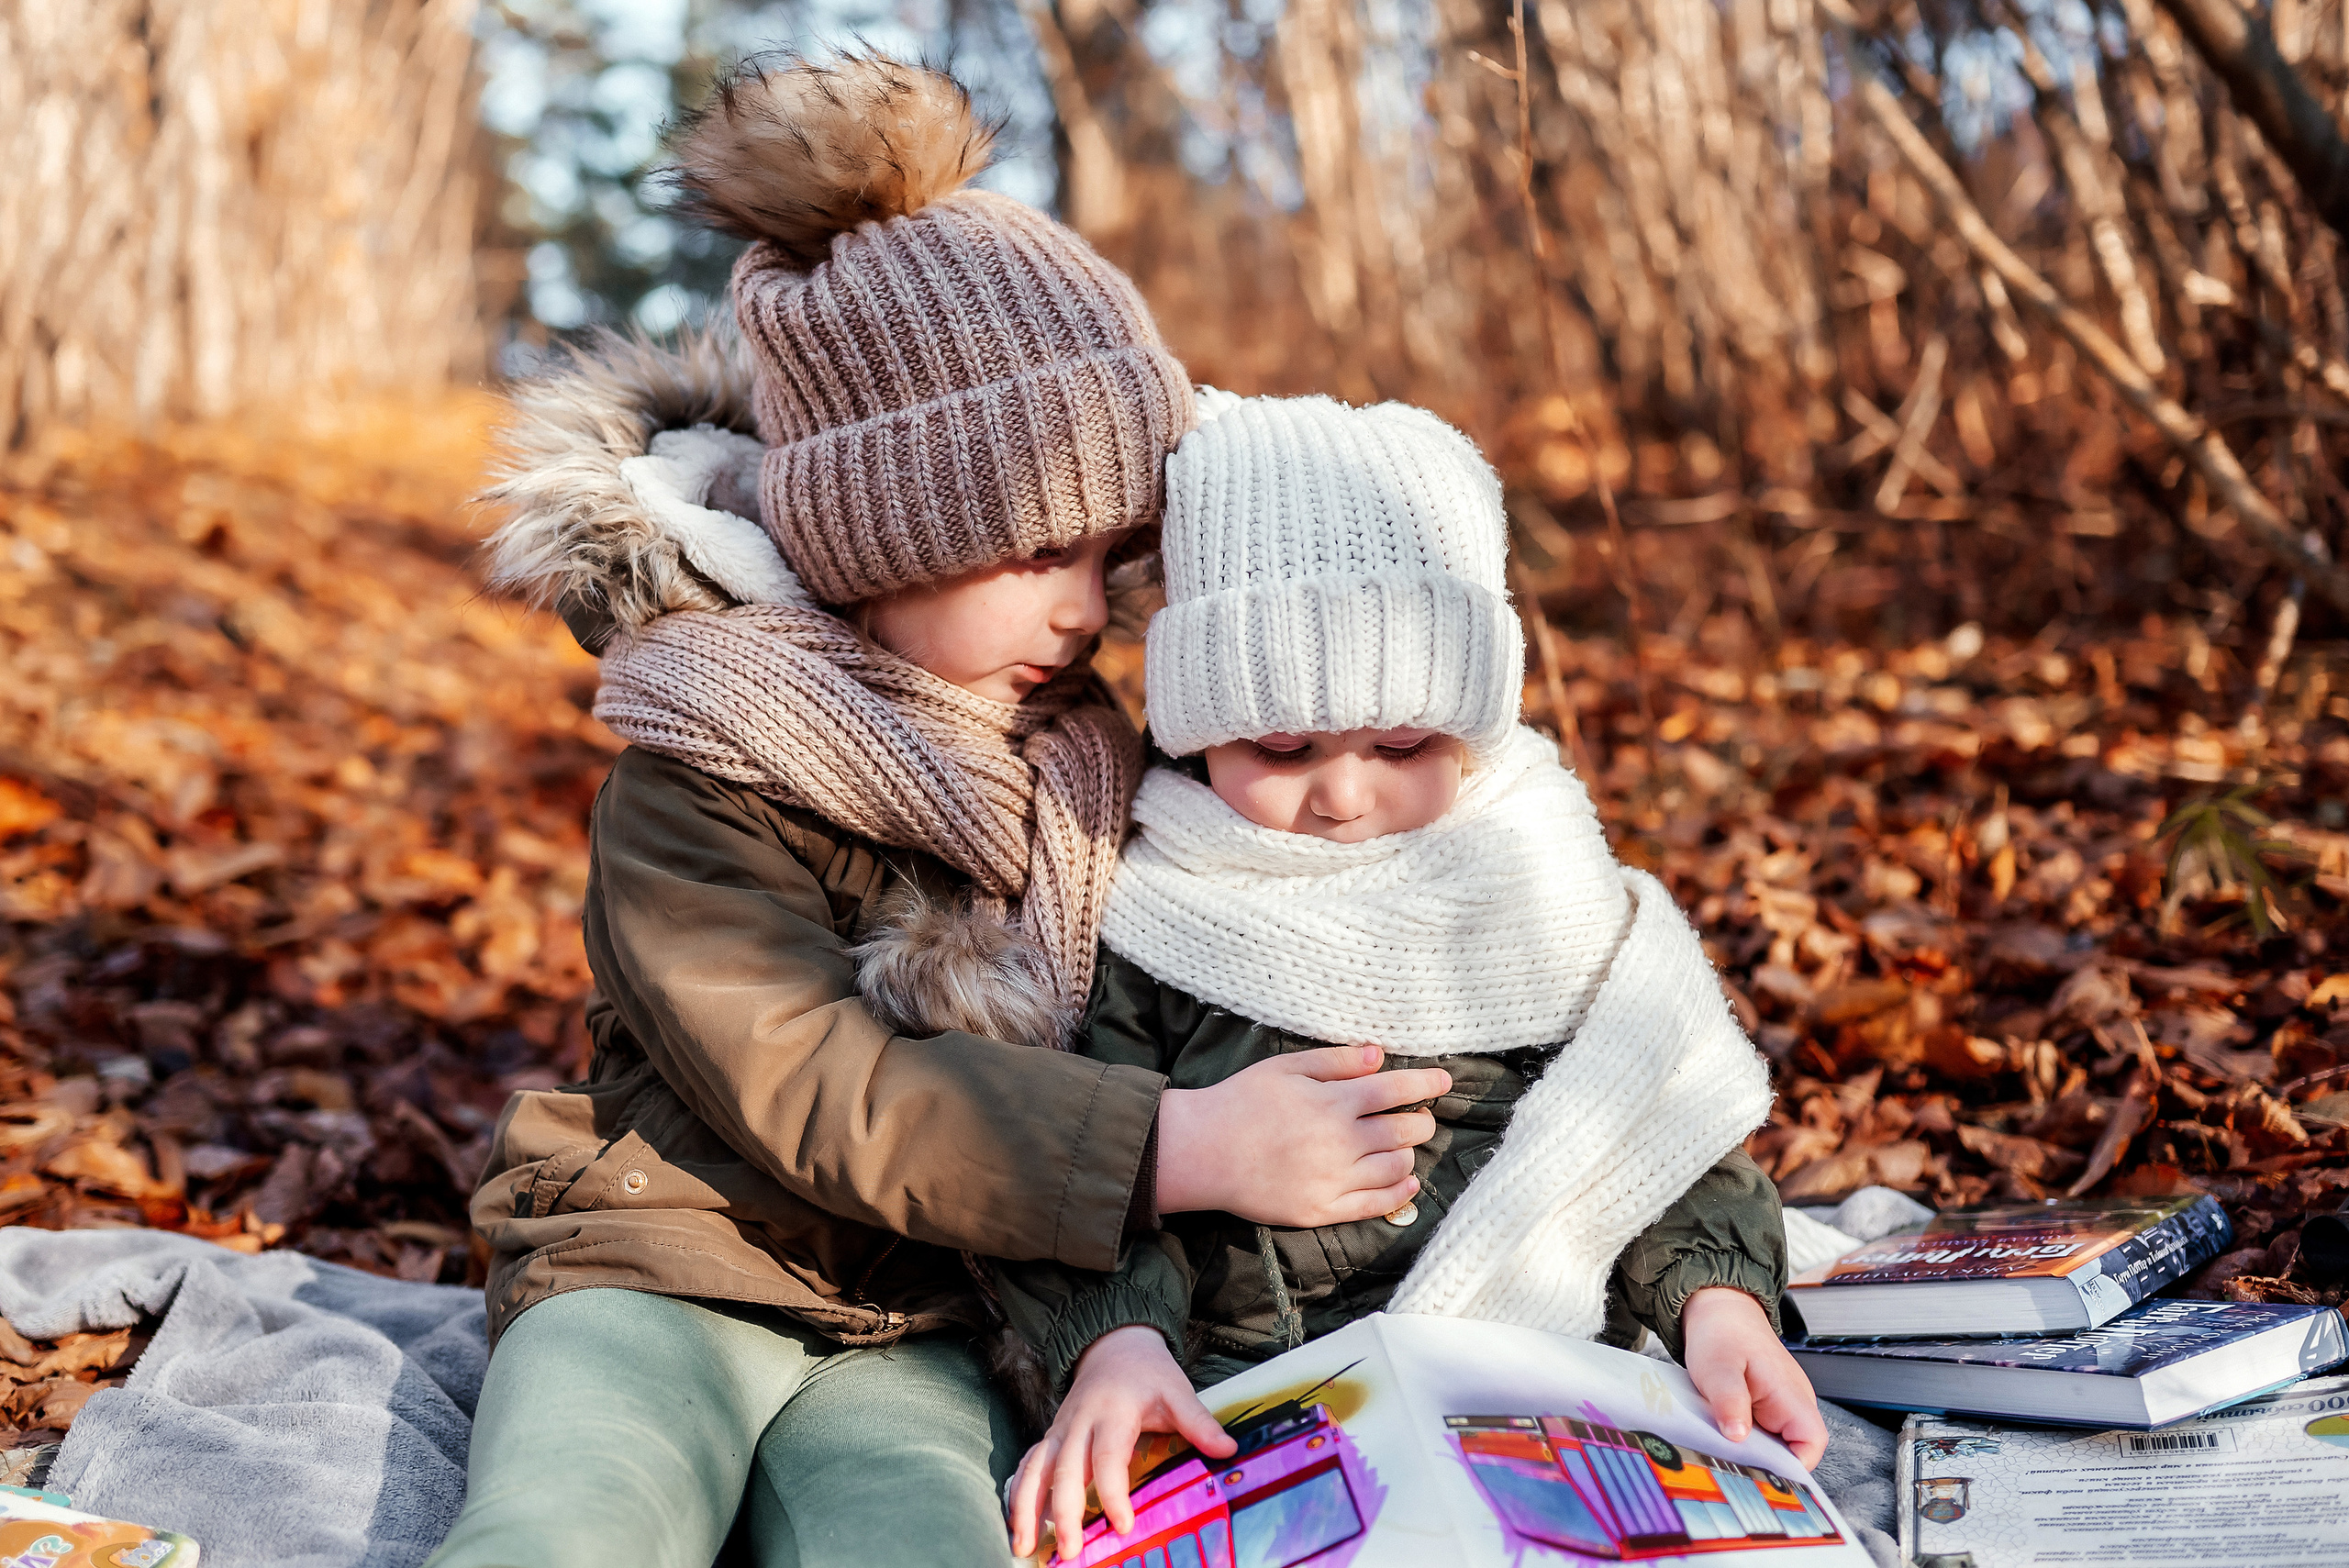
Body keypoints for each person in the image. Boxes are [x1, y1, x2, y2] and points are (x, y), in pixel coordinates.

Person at [426, 60, 1448, 1568]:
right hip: (663, 1256)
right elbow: (810, 1077)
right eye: (1041, 550)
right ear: (884, 529)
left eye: (1114, 552)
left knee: (917, 1534)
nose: (1088, 606)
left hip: (933, 1315)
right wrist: (1174, 1147)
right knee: (577, 1514)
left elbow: (1168, 1004)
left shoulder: (1086, 761)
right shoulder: (701, 746)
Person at [980, 394, 1828, 1561]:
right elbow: (1093, 1161)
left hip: (1544, 1372)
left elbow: (1650, 1118)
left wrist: (1717, 1302)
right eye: (1281, 749)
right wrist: (1118, 1345)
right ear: (1198, 726)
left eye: (1401, 744)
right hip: (1255, 1387)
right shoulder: (1164, 902)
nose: (1341, 792)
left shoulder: (1529, 870)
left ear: (1470, 724)